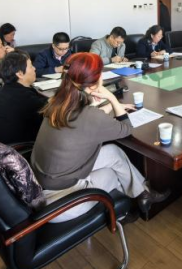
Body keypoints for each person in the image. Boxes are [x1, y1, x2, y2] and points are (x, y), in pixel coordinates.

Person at [30, 53, 169, 221]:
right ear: (92, 85)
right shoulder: (90, 116)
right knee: (112, 174)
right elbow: (126, 128)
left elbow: (85, 120)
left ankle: (143, 194)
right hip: (61, 204)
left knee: (113, 152)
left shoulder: (56, 102)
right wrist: (112, 98)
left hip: (43, 183)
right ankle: (121, 214)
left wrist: (109, 106)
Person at [0, 51, 48, 145]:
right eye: (30, 66)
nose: (34, 68)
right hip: (17, 148)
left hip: (1, 142)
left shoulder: (8, 88)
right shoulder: (25, 98)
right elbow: (49, 110)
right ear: (20, 74)